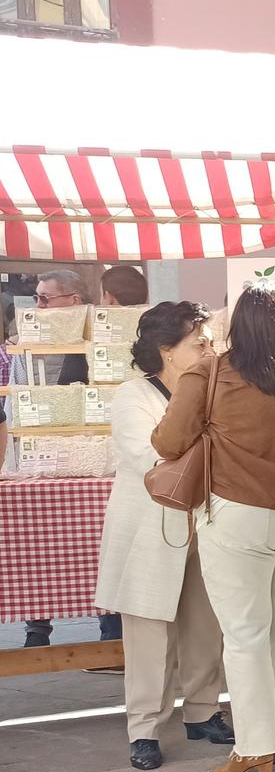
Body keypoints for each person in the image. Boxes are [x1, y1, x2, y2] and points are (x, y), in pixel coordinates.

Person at [154, 285, 275, 772]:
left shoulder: (211, 372)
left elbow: (167, 442)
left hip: (238, 510)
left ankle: (254, 748)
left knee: (246, 634)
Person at [93, 301, 232, 770]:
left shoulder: (216, 389)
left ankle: (203, 711)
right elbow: (147, 457)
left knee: (205, 623)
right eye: (200, 342)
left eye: (211, 341)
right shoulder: (134, 395)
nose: (211, 349)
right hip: (150, 528)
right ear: (167, 350)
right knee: (149, 633)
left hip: (206, 522)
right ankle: (144, 730)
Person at [24, 268, 120, 648]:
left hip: (95, 461)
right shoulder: (30, 346)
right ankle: (36, 629)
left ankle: (111, 635)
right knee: (35, 545)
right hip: (44, 461)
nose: (37, 306)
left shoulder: (100, 342)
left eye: (45, 299)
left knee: (104, 546)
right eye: (36, 298)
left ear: (74, 302)